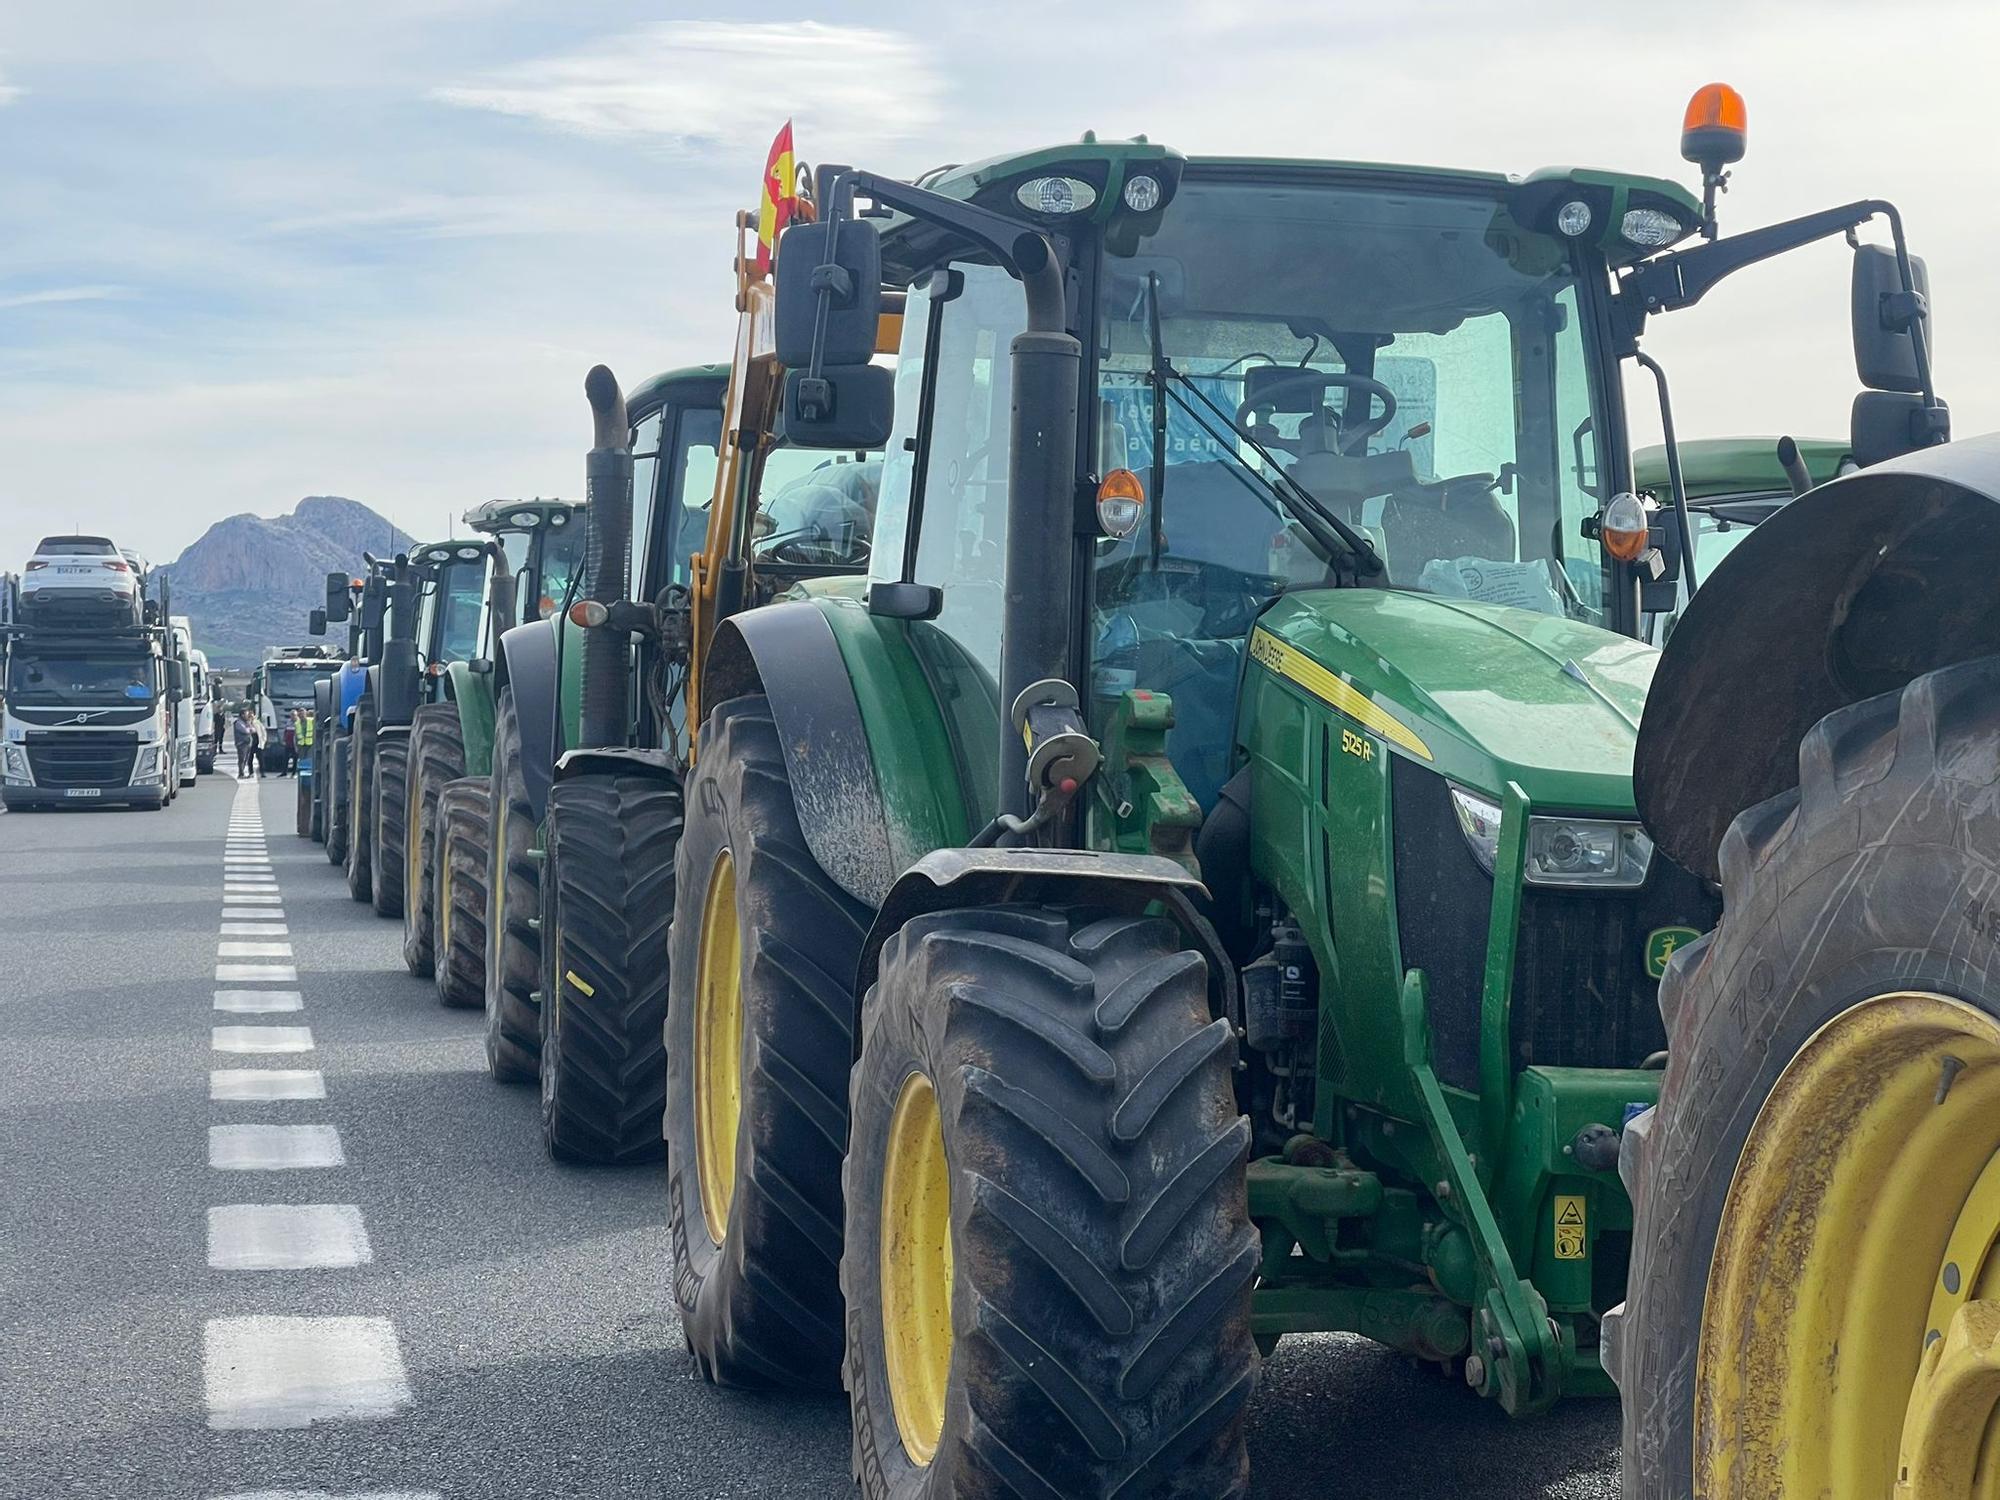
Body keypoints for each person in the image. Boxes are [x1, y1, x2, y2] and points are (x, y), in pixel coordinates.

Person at [233, 708, 263, 780]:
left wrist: (249, 726)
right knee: (242, 759)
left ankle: (242, 773)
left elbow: (254, 730)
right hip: (241, 743)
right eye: (246, 714)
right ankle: (241, 774)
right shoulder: (238, 723)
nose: (248, 716)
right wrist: (249, 729)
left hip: (247, 743)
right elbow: (245, 731)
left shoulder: (246, 722)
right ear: (242, 715)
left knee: (245, 759)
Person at [280, 711, 299, 777]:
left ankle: (294, 773)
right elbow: (285, 731)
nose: (293, 716)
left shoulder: (298, 722)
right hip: (288, 743)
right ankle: (284, 772)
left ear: (296, 715)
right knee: (285, 758)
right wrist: (284, 739)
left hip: (295, 744)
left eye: (294, 715)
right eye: (292, 715)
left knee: (295, 759)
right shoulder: (288, 722)